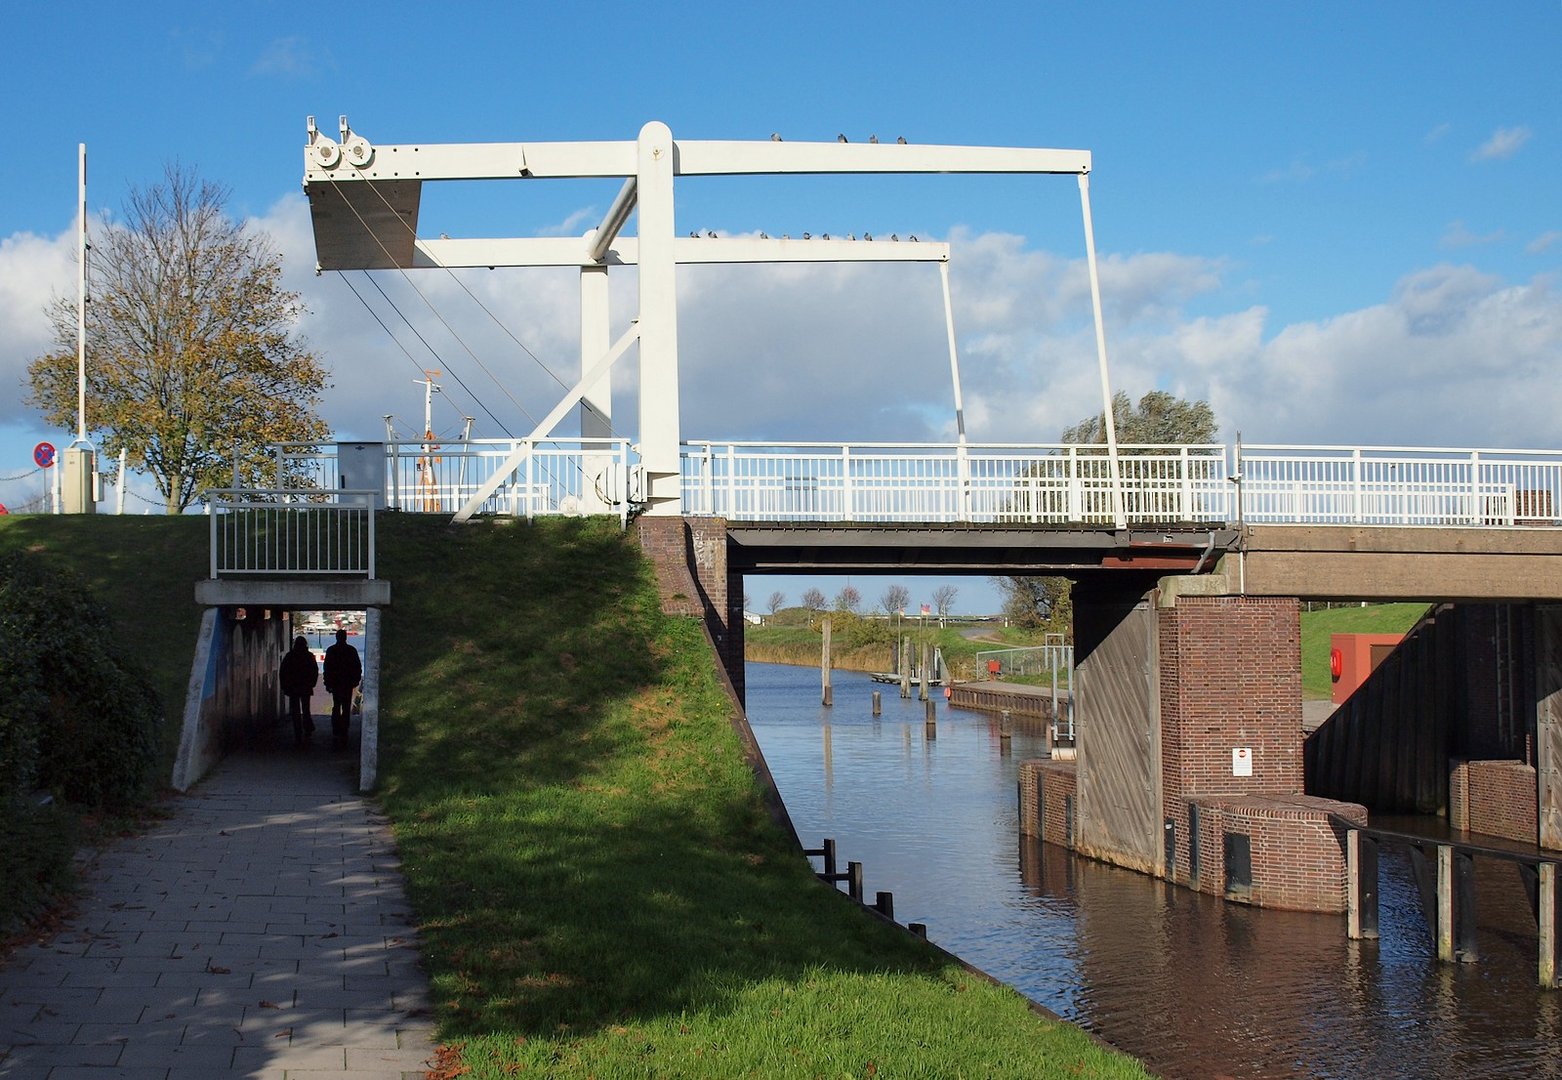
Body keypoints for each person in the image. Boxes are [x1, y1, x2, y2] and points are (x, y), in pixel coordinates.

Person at [323, 628, 362, 751]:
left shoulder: (331, 650)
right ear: (345, 637)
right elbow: (357, 667)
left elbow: (327, 668)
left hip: (335, 684)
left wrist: (327, 683)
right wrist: (355, 681)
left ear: (336, 637)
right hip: (347, 683)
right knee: (345, 707)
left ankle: (336, 729)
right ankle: (344, 730)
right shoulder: (351, 650)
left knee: (336, 706)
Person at [279, 635, 319, 746]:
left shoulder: (290, 656)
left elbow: (283, 672)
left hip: (293, 688)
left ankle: (298, 732)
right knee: (306, 709)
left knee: (295, 711)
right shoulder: (309, 656)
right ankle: (307, 728)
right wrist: (312, 684)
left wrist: (284, 686)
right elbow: (314, 671)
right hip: (305, 687)